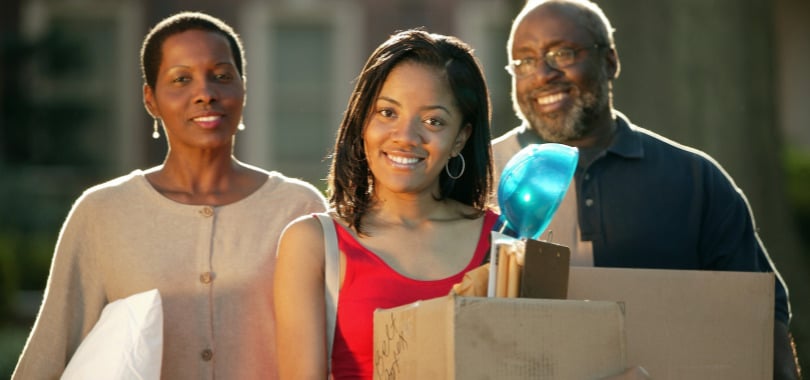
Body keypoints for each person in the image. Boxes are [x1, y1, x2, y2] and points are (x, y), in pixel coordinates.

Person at [492, 0, 800, 378]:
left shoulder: (696, 180)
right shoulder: (481, 178)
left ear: (610, 61)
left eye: (563, 53)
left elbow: (762, 321)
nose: (542, 74)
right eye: (523, 61)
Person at [12, 11, 327, 379]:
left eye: (222, 76)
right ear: (151, 100)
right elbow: (51, 352)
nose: (206, 94)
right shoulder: (102, 213)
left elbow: (335, 343)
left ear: (243, 88)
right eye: (181, 79)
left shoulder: (299, 208)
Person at [273, 29, 498, 379]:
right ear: (363, 120)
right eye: (387, 113)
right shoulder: (312, 242)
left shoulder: (504, 242)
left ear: (460, 138)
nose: (406, 137)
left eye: (433, 121)